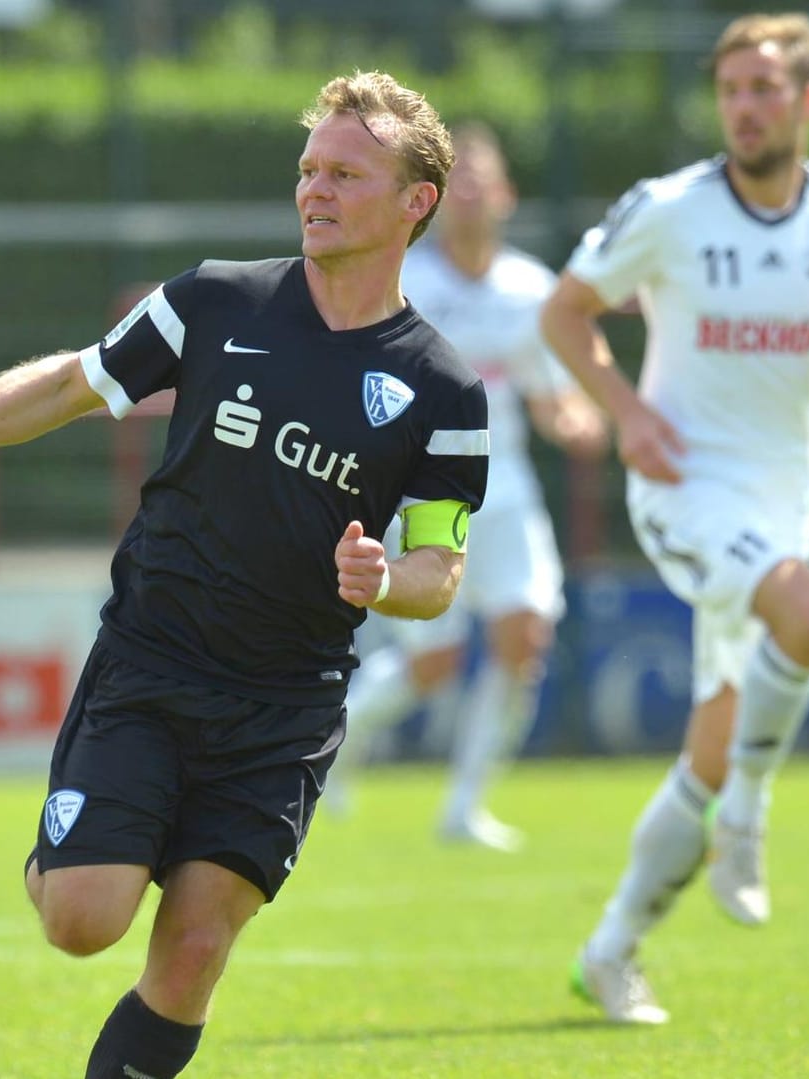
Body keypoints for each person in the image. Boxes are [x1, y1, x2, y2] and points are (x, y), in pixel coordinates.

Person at [0, 71, 488, 1078]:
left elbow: (440, 568)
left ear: (416, 202)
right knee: (81, 918)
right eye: (307, 169)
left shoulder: (443, 389)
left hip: (283, 706)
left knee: (192, 951)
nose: (314, 190)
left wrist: (383, 578)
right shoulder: (214, 300)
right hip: (153, 664)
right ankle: (73, 850)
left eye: (345, 174)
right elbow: (73, 380)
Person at [539, 13, 809, 1024]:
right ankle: (751, 813)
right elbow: (564, 308)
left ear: (806, 101)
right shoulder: (669, 209)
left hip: (779, 495)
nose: (744, 107)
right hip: (681, 483)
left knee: (711, 740)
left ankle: (611, 946)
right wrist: (625, 414)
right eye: (730, 90)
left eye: (764, 89)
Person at [330, 123, 606, 851]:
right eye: (462, 182)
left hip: (506, 488)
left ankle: (465, 807)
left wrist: (579, 420)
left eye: (486, 179)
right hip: (426, 493)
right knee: (435, 660)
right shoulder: (406, 284)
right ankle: (329, 753)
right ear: (437, 200)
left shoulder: (531, 289)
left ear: (508, 195)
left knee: (525, 633)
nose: (475, 194)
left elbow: (551, 398)